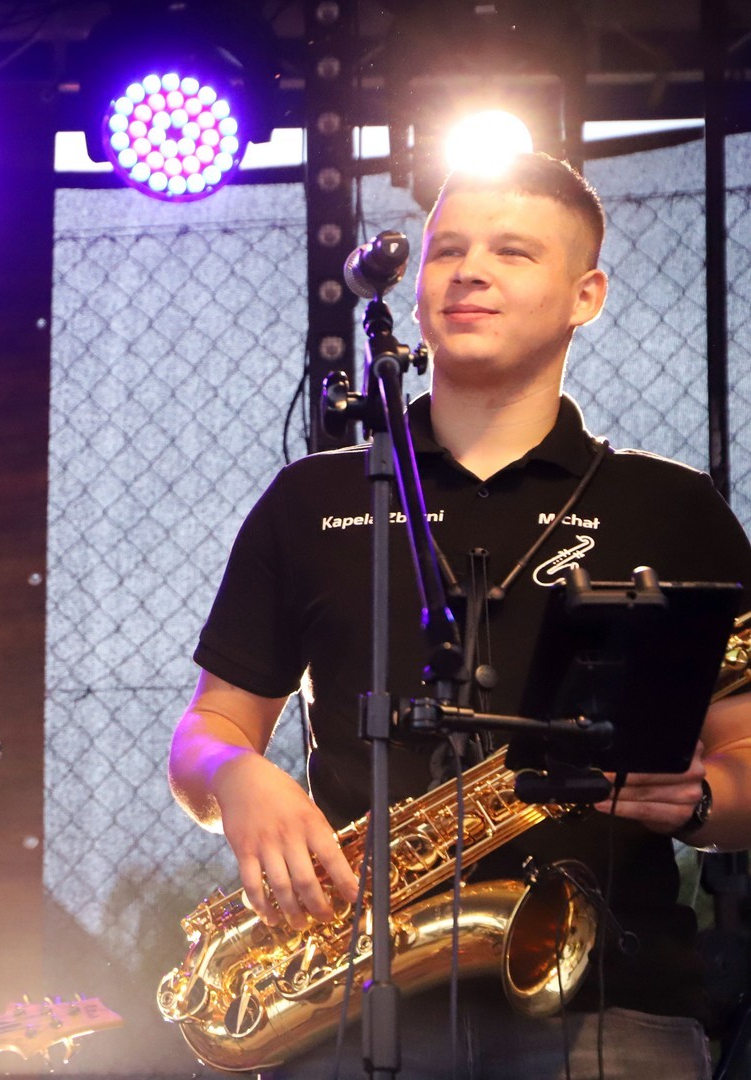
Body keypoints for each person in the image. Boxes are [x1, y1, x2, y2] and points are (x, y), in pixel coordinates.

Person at [167, 153, 751, 1079]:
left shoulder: (672, 507)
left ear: (586, 296)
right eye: (448, 250)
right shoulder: (311, 500)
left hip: (614, 1004)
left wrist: (708, 798)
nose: (469, 271)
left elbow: (745, 751)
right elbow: (207, 732)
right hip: (353, 1006)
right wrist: (235, 775)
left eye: (513, 252)